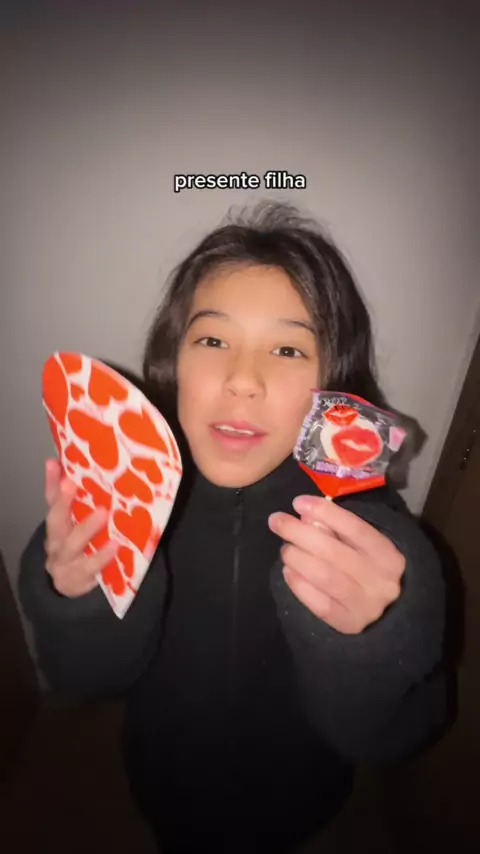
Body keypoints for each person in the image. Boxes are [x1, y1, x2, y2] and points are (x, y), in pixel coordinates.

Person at [19, 202, 447, 853]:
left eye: (288, 348)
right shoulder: (113, 502)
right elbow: (84, 683)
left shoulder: (379, 544)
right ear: (173, 362)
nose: (243, 380)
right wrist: (77, 599)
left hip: (304, 805)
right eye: (213, 341)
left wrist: (373, 640)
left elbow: (399, 736)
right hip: (163, 793)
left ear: (332, 382)